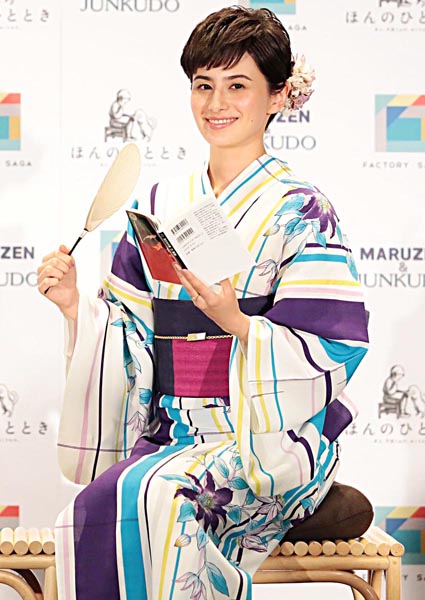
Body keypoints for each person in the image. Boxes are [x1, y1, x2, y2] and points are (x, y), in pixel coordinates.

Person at [37, 7, 369, 600]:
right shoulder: (161, 203)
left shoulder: (303, 210)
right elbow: (129, 334)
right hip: (172, 432)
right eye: (203, 85)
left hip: (265, 438)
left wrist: (237, 322)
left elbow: (332, 345)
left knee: (162, 500)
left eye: (238, 86)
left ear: (277, 95)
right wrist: (74, 308)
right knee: (91, 512)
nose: (217, 103)